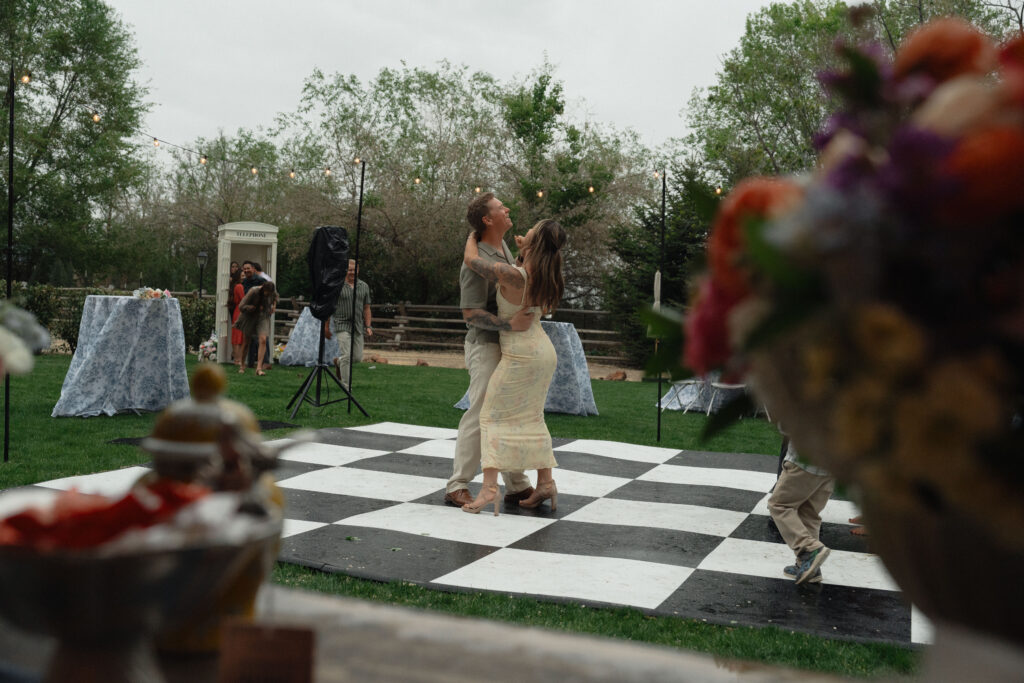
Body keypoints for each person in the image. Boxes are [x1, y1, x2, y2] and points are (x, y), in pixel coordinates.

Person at [460, 217, 567, 516]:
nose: (527, 228)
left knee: (491, 417)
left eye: (533, 228)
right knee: (532, 417)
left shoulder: (515, 276)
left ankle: (489, 489)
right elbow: (530, 260)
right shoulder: (547, 273)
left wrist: (474, 235)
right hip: (543, 352)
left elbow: (472, 260)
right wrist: (527, 250)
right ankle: (545, 482)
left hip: (522, 354)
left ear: (535, 241)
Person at [445, 194, 535, 508]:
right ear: (487, 219)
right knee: (480, 411)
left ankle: (516, 484)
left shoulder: (501, 248)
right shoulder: (476, 260)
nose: (507, 209)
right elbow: (470, 313)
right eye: (500, 207)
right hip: (485, 347)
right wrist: (511, 326)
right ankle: (457, 485)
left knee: (507, 413)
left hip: (504, 347)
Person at [768, 440, 836, 584]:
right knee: (809, 513)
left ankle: (809, 550)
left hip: (805, 459)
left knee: (779, 505)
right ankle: (809, 567)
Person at [323, 260, 372, 389]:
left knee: (356, 358)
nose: (351, 272)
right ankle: (345, 386)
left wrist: (368, 326)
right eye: (349, 270)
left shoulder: (364, 286)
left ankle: (338, 362)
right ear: (345, 270)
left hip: (358, 325)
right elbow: (330, 307)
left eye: (354, 270)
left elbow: (367, 308)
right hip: (342, 324)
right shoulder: (337, 285)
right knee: (347, 356)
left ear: (358, 270)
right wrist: (326, 327)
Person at [233, 280, 277, 376]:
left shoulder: (272, 293)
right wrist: (251, 307)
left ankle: (259, 368)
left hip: (263, 317)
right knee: (246, 342)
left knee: (263, 340)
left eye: (270, 293)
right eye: (267, 293)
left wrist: (273, 306)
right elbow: (241, 306)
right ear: (263, 289)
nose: (267, 295)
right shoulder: (253, 291)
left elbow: (275, 298)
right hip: (250, 316)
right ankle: (242, 365)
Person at [228, 266, 245, 367]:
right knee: (238, 336)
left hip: (238, 310)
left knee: (239, 336)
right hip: (240, 311)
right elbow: (243, 299)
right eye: (242, 276)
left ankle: (237, 358)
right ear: (238, 276)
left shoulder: (239, 286)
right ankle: (237, 359)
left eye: (244, 276)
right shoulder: (239, 286)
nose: (244, 277)